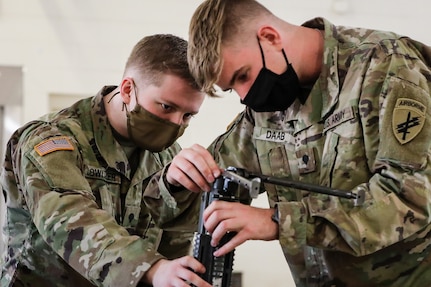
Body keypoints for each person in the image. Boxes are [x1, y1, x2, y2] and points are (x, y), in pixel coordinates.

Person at [145, 0, 431, 286]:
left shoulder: (386, 66)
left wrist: (279, 221)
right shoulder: (265, 111)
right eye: (233, 89)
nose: (245, 96)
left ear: (270, 37)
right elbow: (211, 189)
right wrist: (176, 181)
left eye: (243, 75)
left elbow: (411, 198)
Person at [0, 33, 213, 287]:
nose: (176, 123)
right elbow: (70, 221)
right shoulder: (52, 139)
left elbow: (172, 247)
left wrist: (184, 197)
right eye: (166, 107)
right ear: (127, 89)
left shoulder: (167, 157)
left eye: (188, 115)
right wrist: (151, 268)